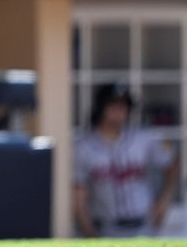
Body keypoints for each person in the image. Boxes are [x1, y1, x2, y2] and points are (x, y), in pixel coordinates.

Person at [74, 83, 179, 237]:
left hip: (143, 226)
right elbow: (78, 195)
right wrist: (88, 231)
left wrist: (164, 200)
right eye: (113, 105)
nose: (119, 111)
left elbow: (172, 163)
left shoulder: (143, 139)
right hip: (105, 228)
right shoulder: (83, 147)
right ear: (101, 107)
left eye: (123, 106)